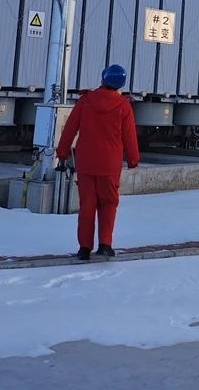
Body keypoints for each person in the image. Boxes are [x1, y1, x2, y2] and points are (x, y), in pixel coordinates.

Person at [56, 63, 139, 260]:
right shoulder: (123, 106)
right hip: (110, 164)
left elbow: (69, 129)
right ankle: (105, 245)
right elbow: (129, 136)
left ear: (103, 78)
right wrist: (133, 159)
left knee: (87, 205)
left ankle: (84, 248)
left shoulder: (85, 101)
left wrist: (62, 153)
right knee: (108, 204)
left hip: (86, 162)